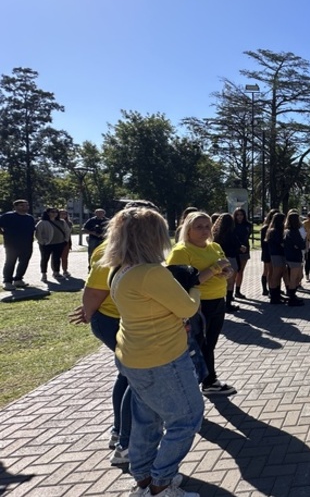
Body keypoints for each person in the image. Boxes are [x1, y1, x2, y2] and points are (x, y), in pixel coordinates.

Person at [98, 206, 203, 497]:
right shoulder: (150, 272)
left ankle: (143, 477)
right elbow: (187, 307)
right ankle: (161, 483)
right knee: (187, 418)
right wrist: (193, 285)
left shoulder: (119, 269)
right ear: (151, 238)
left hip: (133, 354)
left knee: (147, 419)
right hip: (162, 358)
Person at [68, 200, 161, 467]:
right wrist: (88, 312)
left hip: (129, 320)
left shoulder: (138, 250)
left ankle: (122, 432)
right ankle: (126, 442)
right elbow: (94, 291)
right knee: (137, 377)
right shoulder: (110, 250)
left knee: (129, 375)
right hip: (112, 321)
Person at [167, 212, 236, 396]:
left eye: (207, 226)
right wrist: (215, 269)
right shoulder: (182, 251)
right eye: (199, 227)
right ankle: (203, 382)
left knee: (209, 343)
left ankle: (208, 381)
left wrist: (226, 272)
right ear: (188, 230)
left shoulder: (214, 246)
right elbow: (186, 282)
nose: (204, 230)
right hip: (197, 305)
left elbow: (225, 267)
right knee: (198, 345)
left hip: (217, 301)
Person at [1, 199, 36, 290]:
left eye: (26, 205)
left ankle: (18, 279)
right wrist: (4, 233)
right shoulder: (8, 216)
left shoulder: (29, 218)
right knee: (10, 262)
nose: (25, 207)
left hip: (27, 244)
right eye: (22, 205)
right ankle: (7, 281)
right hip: (12, 244)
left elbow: (33, 230)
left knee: (24, 262)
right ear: (15, 207)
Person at [211, 213, 242, 313]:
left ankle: (221, 303)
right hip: (230, 259)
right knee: (230, 283)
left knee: (221, 281)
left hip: (218, 259)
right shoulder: (231, 233)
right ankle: (228, 304)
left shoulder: (215, 233)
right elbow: (238, 246)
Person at [35, 207, 70, 281]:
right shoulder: (42, 222)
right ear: (48, 213)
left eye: (56, 212)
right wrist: (42, 242)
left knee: (56, 259)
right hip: (46, 244)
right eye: (52, 212)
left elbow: (67, 231)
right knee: (45, 259)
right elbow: (38, 234)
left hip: (59, 243)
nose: (54, 214)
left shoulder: (62, 221)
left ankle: (56, 272)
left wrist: (65, 240)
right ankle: (44, 274)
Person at [283, 212, 306, 306]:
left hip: (289, 256)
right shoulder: (294, 231)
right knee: (294, 278)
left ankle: (292, 295)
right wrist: (300, 244)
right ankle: (291, 298)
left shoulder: (287, 231)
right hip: (295, 257)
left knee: (295, 277)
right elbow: (302, 244)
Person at [231, 208, 252, 299]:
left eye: (241, 215)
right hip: (235, 250)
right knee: (233, 271)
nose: (239, 217)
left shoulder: (248, 225)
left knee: (241, 271)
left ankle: (238, 290)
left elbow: (248, 236)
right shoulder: (232, 225)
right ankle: (229, 292)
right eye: (237, 215)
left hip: (245, 250)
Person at [260, 209, 279, 296]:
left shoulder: (277, 228)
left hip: (274, 252)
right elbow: (263, 243)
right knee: (268, 271)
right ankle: (266, 288)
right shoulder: (265, 228)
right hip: (267, 252)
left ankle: (273, 287)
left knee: (273, 271)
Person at [57, 209, 74, 278]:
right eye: (61, 214)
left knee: (64, 257)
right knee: (56, 258)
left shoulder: (69, 223)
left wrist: (70, 244)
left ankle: (65, 270)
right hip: (56, 242)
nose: (63, 215)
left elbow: (69, 234)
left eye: (65, 214)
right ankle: (56, 271)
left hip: (66, 242)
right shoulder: (55, 222)